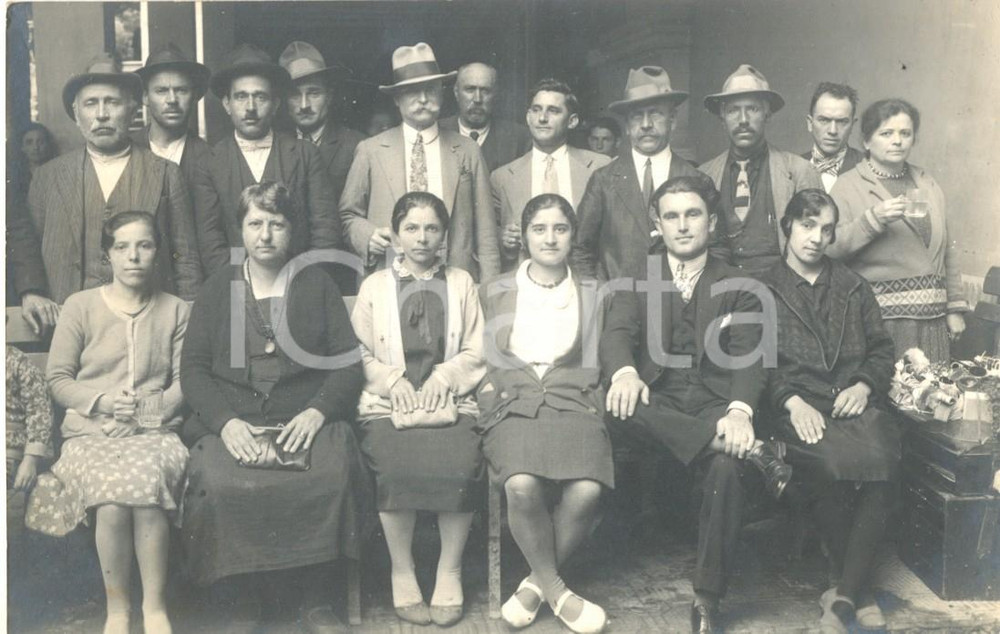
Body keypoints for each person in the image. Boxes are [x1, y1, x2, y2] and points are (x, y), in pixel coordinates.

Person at [600, 175, 791, 634]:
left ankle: (707, 600)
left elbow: (750, 356)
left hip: (714, 404)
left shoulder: (740, 283)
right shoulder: (638, 276)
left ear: (710, 221)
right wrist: (625, 372)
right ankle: (743, 449)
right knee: (617, 405)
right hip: (655, 401)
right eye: (671, 216)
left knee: (726, 468)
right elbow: (617, 333)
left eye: (692, 215)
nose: (682, 226)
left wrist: (740, 411)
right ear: (657, 225)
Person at [180, 182, 369, 634]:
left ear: (293, 230)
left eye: (277, 224)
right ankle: (243, 601)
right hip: (235, 419)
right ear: (240, 229)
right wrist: (225, 424)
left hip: (305, 418)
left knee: (332, 472)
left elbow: (347, 364)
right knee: (220, 482)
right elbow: (193, 371)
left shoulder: (317, 283)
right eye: (255, 223)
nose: (265, 235)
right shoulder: (216, 288)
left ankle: (316, 600)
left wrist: (318, 412)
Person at [24, 211, 190, 634]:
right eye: (122, 247)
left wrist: (142, 418)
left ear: (158, 251)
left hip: (155, 433)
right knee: (113, 501)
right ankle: (118, 610)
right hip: (89, 434)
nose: (133, 256)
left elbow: (184, 383)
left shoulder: (175, 310)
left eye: (145, 245)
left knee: (147, 488)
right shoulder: (81, 306)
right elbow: (58, 379)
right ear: (108, 255)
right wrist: (101, 404)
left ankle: (154, 608)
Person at [760, 189, 899, 634]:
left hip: (851, 403)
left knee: (884, 460)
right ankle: (858, 591)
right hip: (796, 407)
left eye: (826, 229)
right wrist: (791, 400)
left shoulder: (853, 286)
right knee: (833, 463)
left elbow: (881, 349)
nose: (816, 238)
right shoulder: (762, 289)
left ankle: (843, 594)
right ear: (787, 227)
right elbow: (753, 361)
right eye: (806, 225)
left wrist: (863, 384)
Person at [350, 191, 486, 627]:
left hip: (449, 401)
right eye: (411, 228)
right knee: (393, 466)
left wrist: (444, 378)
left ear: (444, 234)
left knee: (462, 463)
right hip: (390, 404)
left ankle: (449, 569)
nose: (422, 238)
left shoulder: (462, 282)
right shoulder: (374, 287)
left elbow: (477, 349)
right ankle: (403, 570)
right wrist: (393, 382)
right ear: (395, 235)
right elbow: (357, 352)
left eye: (431, 228)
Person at [479, 194, 612, 634]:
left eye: (560, 228)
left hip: (574, 398)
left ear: (573, 236)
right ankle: (558, 591)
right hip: (514, 400)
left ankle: (535, 584)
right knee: (520, 485)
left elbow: (602, 357)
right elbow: (484, 356)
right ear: (525, 235)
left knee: (588, 490)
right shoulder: (495, 290)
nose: (550, 238)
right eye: (539, 229)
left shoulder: (594, 292)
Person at [8, 52, 201, 336]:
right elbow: (27, 248)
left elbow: (185, 259)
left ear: (133, 111)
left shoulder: (165, 173)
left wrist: (188, 324)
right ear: (76, 115)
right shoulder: (48, 177)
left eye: (112, 102)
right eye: (91, 104)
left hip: (147, 327)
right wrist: (30, 292)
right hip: (67, 328)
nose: (101, 114)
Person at [340, 42, 500, 281]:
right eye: (411, 91)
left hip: (454, 279)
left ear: (443, 92)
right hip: (389, 278)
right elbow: (347, 215)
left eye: (431, 89)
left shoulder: (467, 150)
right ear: (396, 99)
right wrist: (367, 235)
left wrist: (489, 293)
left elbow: (486, 234)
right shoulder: (370, 150)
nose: (423, 99)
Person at [828, 98, 967, 363]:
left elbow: (948, 249)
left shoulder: (926, 182)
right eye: (886, 133)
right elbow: (830, 249)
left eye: (905, 133)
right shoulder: (847, 186)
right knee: (889, 397)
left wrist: (954, 308)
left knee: (933, 398)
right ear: (867, 141)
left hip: (933, 322)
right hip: (881, 323)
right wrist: (872, 220)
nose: (897, 141)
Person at [192, 44, 343, 284]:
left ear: (275, 104)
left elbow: (325, 230)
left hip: (298, 284)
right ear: (226, 104)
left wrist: (303, 282)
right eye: (241, 96)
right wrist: (242, 285)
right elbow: (210, 240)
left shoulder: (305, 154)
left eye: (260, 96)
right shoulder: (209, 162)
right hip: (237, 288)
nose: (250, 108)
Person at [574, 66, 703, 282]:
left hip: (681, 308)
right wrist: (600, 298)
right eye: (636, 116)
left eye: (655, 113)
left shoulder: (696, 179)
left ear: (673, 120)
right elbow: (580, 249)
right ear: (626, 126)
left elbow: (716, 250)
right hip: (619, 307)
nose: (645, 125)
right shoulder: (603, 180)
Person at [700, 65, 823, 274]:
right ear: (722, 117)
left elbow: (816, 243)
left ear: (767, 113)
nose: (743, 120)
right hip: (722, 291)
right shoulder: (704, 175)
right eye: (733, 111)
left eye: (753, 109)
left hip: (783, 289)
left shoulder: (799, 172)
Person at [491, 78, 610, 272]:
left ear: (572, 121)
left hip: (585, 281)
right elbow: (489, 235)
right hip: (527, 285)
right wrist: (503, 237)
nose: (542, 118)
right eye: (536, 110)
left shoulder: (600, 167)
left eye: (553, 111)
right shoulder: (502, 178)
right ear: (528, 117)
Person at [132, 42, 213, 270]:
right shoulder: (127, 150)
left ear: (195, 96)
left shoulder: (210, 158)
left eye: (181, 90)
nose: (172, 100)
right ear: (145, 97)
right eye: (161, 91)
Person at [279, 41, 365, 204]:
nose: (304, 105)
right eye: (295, 95)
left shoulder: (356, 145)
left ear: (329, 96)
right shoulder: (274, 144)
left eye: (314, 93)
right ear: (284, 100)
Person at [440, 62, 531, 171]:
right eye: (470, 89)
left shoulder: (519, 139)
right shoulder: (438, 131)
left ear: (495, 94)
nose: (477, 99)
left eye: (485, 91)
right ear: (456, 92)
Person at [801, 82, 864, 192]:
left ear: (852, 125)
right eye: (824, 120)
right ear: (810, 123)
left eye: (842, 122)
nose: (832, 131)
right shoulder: (792, 167)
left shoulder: (867, 167)